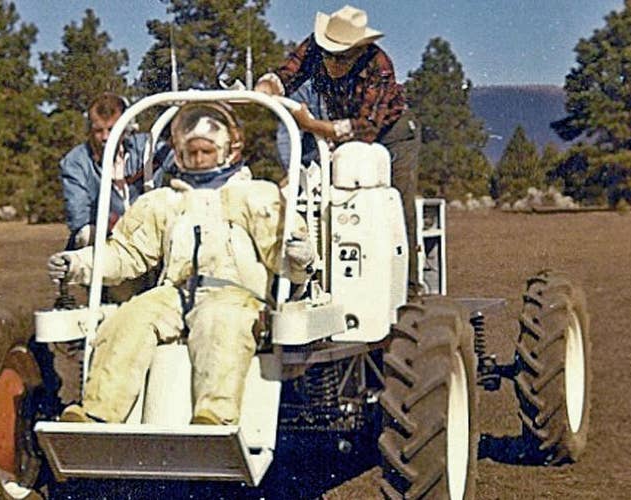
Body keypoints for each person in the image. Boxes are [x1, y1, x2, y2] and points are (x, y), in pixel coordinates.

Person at [47, 102, 314, 425]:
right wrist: (77, 264)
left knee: (220, 324)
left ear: (228, 150)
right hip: (173, 293)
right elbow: (126, 253)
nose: (199, 159)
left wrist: (299, 256)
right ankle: (97, 413)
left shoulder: (255, 196)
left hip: (235, 295)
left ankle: (214, 417)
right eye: (191, 152)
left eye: (206, 151)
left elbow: (284, 255)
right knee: (129, 318)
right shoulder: (164, 202)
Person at [255, 4, 423, 296]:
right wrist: (266, 87)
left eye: (342, 57)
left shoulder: (379, 64)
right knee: (323, 196)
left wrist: (311, 125)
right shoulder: (314, 48)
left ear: (359, 50)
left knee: (395, 201)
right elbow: (286, 74)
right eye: (328, 54)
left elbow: (366, 128)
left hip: (391, 134)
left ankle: (407, 289)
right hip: (338, 129)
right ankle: (320, 281)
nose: (332, 62)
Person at [59, 92, 170, 251]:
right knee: (84, 234)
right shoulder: (75, 162)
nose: (105, 137)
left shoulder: (147, 146)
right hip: (101, 242)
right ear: (89, 130)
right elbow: (79, 218)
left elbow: (180, 157)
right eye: (98, 130)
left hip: (147, 239)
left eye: (112, 129)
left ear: (126, 128)